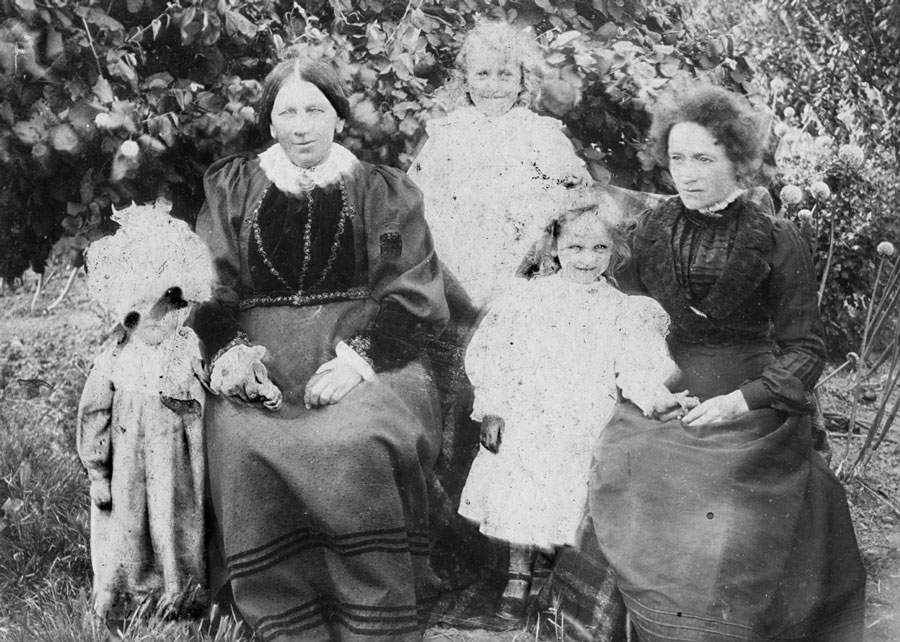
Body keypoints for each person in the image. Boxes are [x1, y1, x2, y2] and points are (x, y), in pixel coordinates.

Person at [589, 84, 866, 641]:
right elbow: (622, 320)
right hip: (667, 384)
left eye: (703, 159)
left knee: (730, 497)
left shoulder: (775, 237)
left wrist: (745, 400)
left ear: (736, 162)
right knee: (633, 455)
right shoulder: (651, 228)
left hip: (753, 392)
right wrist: (644, 384)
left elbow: (807, 347)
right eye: (676, 159)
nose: (686, 174)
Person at [192, 55, 449, 641]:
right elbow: (210, 283)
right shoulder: (234, 186)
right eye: (288, 112)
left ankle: (369, 608)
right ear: (270, 121)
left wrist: (358, 361)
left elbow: (410, 291)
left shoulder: (383, 192)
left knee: (357, 437)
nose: (302, 125)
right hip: (261, 355)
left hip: (364, 351)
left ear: (338, 118)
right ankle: (286, 608)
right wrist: (229, 353)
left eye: (316, 109)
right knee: (242, 436)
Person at [457, 188, 697, 620]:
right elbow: (496, 355)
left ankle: (560, 576)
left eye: (599, 248)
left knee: (572, 489)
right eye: (576, 247)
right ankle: (517, 573)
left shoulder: (623, 310)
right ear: (554, 246)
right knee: (521, 483)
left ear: (616, 250)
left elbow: (637, 368)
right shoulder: (526, 300)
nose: (587, 258)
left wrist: (658, 399)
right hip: (530, 412)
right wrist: (492, 407)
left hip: (586, 416)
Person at [77, 201, 212, 621]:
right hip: (130, 464)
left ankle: (181, 593)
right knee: (129, 530)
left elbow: (208, 397)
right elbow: (94, 413)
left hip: (180, 464)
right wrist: (98, 472)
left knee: (180, 526)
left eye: (168, 302)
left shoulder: (187, 348)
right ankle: (131, 598)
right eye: (140, 309)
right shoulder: (116, 357)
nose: (154, 320)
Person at [408, 19, 591, 309]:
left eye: (505, 75)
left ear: (521, 81)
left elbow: (570, 200)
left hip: (521, 263)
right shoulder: (448, 134)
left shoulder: (542, 134)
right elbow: (417, 201)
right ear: (466, 80)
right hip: (456, 262)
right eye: (482, 74)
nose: (493, 86)